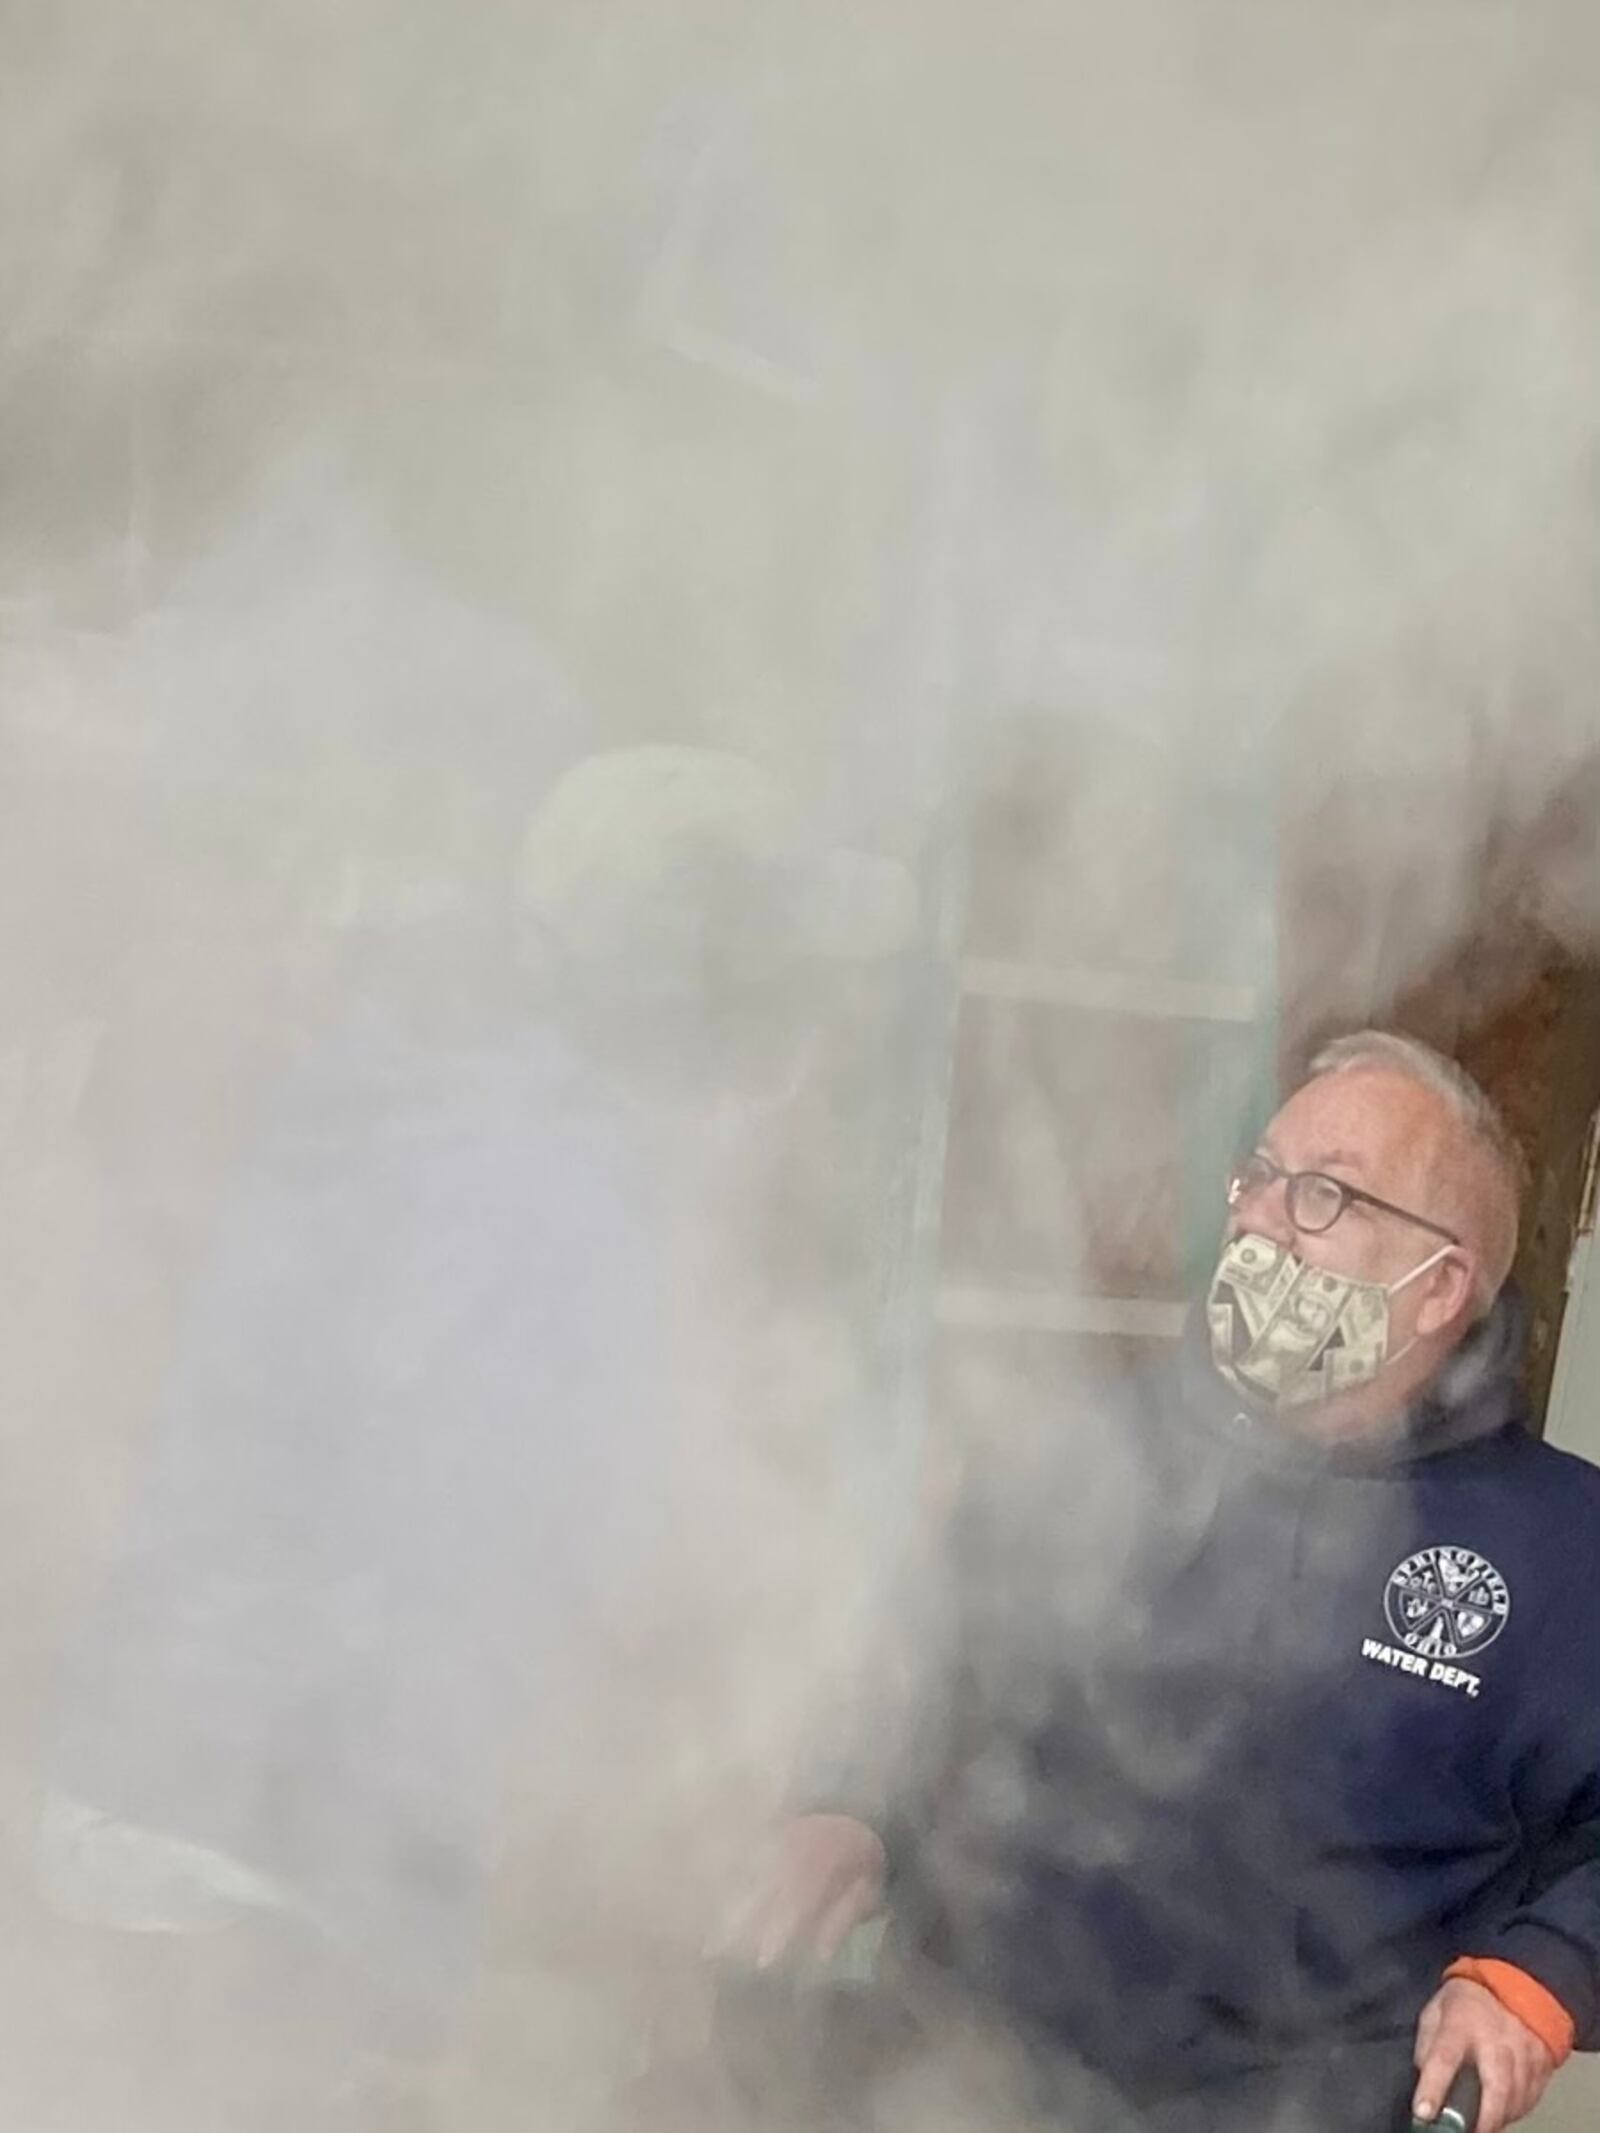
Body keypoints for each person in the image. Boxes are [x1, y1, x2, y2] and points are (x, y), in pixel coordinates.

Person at [41, 744, 914, 2127]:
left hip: (177, 1835)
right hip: (252, 1887)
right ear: (719, 1007)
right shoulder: (550, 1205)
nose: (814, 1057)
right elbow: (442, 1632)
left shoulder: (436, 1102)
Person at [737, 1031, 1600, 2133]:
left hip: (1308, 2105)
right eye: (1260, 1179)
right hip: (970, 2076)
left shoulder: (1563, 1551)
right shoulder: (1096, 1448)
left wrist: (1534, 1978)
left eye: (1324, 1196)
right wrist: (844, 1805)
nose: (1256, 1219)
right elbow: (934, 1657)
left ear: (1436, 1293)